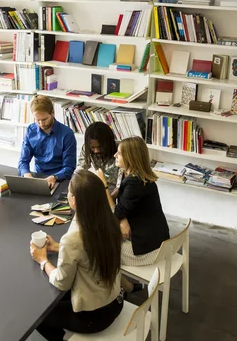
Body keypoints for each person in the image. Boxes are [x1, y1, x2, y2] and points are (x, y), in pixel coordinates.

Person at [30, 170, 123, 340]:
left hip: (93, 317)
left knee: (38, 317)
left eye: (69, 193)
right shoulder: (109, 221)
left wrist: (42, 260)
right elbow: (88, 250)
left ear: (74, 201)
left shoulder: (73, 239)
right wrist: (58, 247)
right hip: (116, 301)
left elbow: (61, 283)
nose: (67, 195)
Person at [97, 136, 170, 291]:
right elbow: (122, 196)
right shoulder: (136, 175)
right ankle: (126, 285)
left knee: (101, 252)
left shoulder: (135, 182)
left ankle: (116, 291)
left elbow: (115, 213)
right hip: (158, 239)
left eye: (119, 153)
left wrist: (103, 186)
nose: (115, 155)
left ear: (130, 157)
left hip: (148, 250)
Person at [18, 95, 76, 189]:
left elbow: (69, 167)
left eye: (44, 119)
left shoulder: (67, 134)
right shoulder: (30, 130)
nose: (41, 124)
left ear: (52, 113)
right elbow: (23, 161)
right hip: (38, 177)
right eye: (38, 120)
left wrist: (55, 177)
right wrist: (27, 175)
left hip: (60, 180)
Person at [77, 122, 121, 197]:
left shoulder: (120, 151)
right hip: (99, 188)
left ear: (109, 143)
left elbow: (120, 186)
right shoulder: (87, 148)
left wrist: (108, 201)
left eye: (100, 146)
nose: (96, 151)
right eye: (93, 147)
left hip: (116, 193)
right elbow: (80, 170)